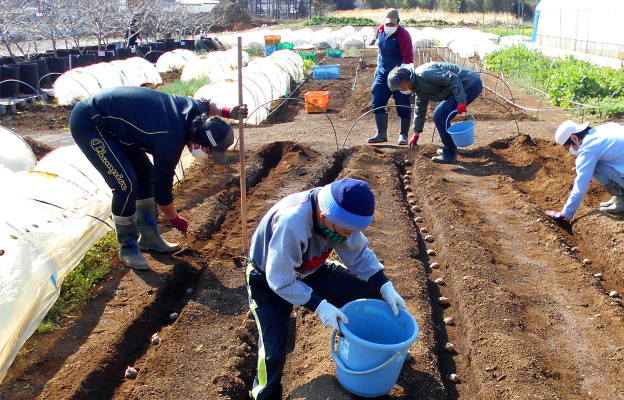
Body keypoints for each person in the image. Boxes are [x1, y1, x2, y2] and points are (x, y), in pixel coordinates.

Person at [245, 178, 407, 400]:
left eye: (353, 232)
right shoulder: (292, 223)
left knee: (368, 292)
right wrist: (320, 306)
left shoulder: (339, 214)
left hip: (311, 270)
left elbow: (359, 256)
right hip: (268, 281)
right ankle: (264, 396)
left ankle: (382, 352)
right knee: (273, 352)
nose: (348, 237)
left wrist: (384, 285)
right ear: (325, 217)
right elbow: (280, 280)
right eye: (346, 232)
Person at [69, 86, 247, 270]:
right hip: (91, 122)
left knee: (145, 174)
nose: (209, 156)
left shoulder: (195, 113)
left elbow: (209, 104)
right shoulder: (169, 141)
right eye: (210, 151)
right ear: (200, 140)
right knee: (126, 184)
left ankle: (149, 236)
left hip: (118, 127)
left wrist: (229, 111)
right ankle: (128, 247)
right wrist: (175, 219)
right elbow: (162, 191)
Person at [545, 120, 624, 222]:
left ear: (574, 138)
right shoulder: (607, 127)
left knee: (594, 165)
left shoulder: (588, 148)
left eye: (568, 147)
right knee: (605, 159)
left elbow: (581, 184)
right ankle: (621, 197)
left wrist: (566, 213)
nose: (570, 151)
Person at [387, 62, 483, 163]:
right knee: (441, 115)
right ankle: (450, 150)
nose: (401, 91)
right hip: (460, 87)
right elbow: (420, 108)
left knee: (440, 116)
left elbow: (453, 78)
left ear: (403, 84)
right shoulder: (417, 86)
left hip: (470, 84)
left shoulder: (425, 73)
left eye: (399, 89)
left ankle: (450, 154)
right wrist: (416, 133)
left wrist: (461, 101)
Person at [367, 8, 414, 145]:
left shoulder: (404, 35)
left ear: (398, 23)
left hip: (399, 73)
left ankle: (403, 135)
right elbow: (380, 50)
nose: (389, 27)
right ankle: (381, 133)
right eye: (387, 24)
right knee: (377, 97)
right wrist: (378, 66)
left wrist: (403, 75)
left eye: (392, 25)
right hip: (383, 72)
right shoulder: (380, 30)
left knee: (403, 102)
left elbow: (408, 58)